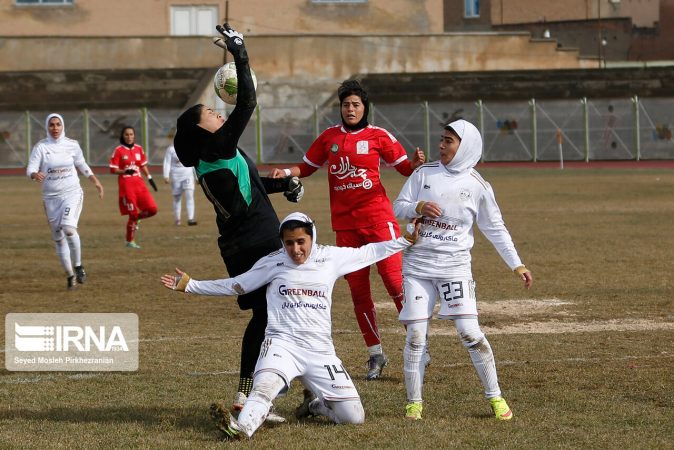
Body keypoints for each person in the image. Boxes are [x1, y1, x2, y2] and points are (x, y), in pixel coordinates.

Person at [160, 212, 419, 440]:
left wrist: (405, 240)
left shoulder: (331, 257)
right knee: (264, 389)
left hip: (320, 352)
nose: (295, 249)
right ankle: (241, 428)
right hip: (282, 345)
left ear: (312, 238)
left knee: (354, 417)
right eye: (289, 243)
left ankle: (315, 406)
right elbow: (237, 285)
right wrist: (191, 285)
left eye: (301, 242)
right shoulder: (273, 262)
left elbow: (370, 252)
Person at [173, 22, 304, 417]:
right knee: (280, 314)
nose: (217, 113)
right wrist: (240, 53)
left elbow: (251, 185)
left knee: (271, 315)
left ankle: (253, 393)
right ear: (202, 128)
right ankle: (257, 394)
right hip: (256, 243)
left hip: (245, 240)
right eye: (211, 112)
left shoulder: (216, 155)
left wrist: (286, 185)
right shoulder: (215, 146)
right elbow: (247, 104)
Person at [268, 79, 426, 380]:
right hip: (346, 228)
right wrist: (286, 172)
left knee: (395, 284)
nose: (350, 109)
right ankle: (375, 354)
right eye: (345, 104)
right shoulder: (329, 138)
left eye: (355, 104)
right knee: (358, 291)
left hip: (380, 221)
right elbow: (309, 166)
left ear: (364, 108)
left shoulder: (379, 135)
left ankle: (419, 347)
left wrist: (417, 163)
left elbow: (405, 168)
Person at [392, 119, 533, 421]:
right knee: (416, 335)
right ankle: (413, 404)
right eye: (441, 140)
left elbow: (495, 227)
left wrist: (516, 264)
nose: (441, 146)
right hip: (418, 267)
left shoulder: (478, 186)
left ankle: (495, 397)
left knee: (470, 333)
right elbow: (397, 206)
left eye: (448, 141)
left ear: (465, 146)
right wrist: (417, 207)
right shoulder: (423, 173)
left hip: (455, 269)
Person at [26, 113, 104, 289]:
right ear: (47, 127)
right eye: (52, 125)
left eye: (58, 124)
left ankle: (78, 266)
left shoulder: (72, 145)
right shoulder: (41, 147)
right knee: (59, 239)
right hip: (50, 198)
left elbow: (82, 164)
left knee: (69, 229)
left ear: (63, 126)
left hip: (72, 193)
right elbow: (30, 167)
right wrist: (33, 174)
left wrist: (96, 181)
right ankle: (70, 275)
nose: (55, 128)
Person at [109, 125, 158, 248]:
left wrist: (150, 178)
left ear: (134, 136)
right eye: (126, 134)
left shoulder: (139, 149)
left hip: (139, 184)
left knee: (152, 209)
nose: (129, 137)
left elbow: (142, 165)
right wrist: (125, 172)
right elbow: (112, 169)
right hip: (126, 185)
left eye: (131, 134)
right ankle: (129, 241)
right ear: (122, 136)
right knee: (133, 214)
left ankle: (137, 218)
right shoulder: (119, 150)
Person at [162, 142, 197, 226]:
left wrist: (197, 176)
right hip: (176, 176)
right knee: (177, 198)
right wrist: (166, 175)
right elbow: (167, 162)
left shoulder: (189, 148)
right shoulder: (171, 149)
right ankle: (177, 219)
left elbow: (194, 163)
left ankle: (190, 219)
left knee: (190, 196)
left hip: (188, 175)